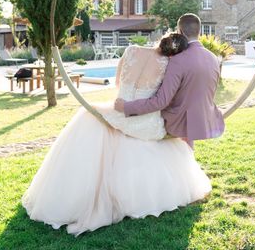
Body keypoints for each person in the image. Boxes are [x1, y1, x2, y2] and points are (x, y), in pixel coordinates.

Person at [22, 31, 215, 235]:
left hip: (118, 108)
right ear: (177, 53)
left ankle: (70, 198)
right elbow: (161, 99)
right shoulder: (169, 65)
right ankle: (134, 199)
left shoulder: (131, 50)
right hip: (145, 120)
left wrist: (125, 100)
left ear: (162, 40)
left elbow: (117, 83)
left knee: (90, 122)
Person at [115, 13, 225, 147]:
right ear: (199, 31)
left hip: (178, 122)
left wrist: (126, 107)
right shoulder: (213, 58)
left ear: (180, 31)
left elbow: (161, 101)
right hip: (205, 119)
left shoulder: (178, 60)